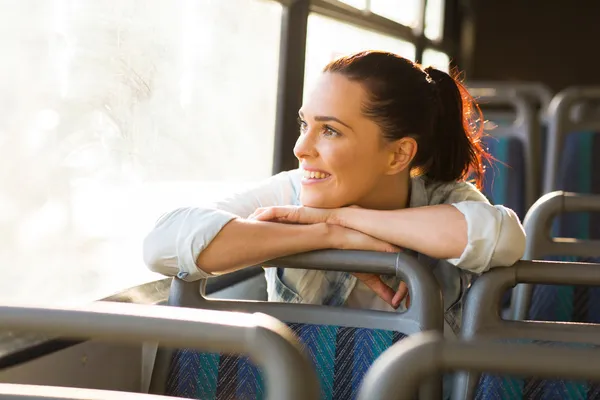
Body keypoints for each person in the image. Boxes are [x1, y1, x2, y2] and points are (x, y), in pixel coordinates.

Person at [143, 50, 526, 334]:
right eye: (304, 125)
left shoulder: (445, 199)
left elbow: (502, 238)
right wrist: (327, 235)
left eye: (330, 131)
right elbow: (162, 243)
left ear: (398, 154)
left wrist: (340, 217)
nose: (300, 148)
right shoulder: (292, 191)